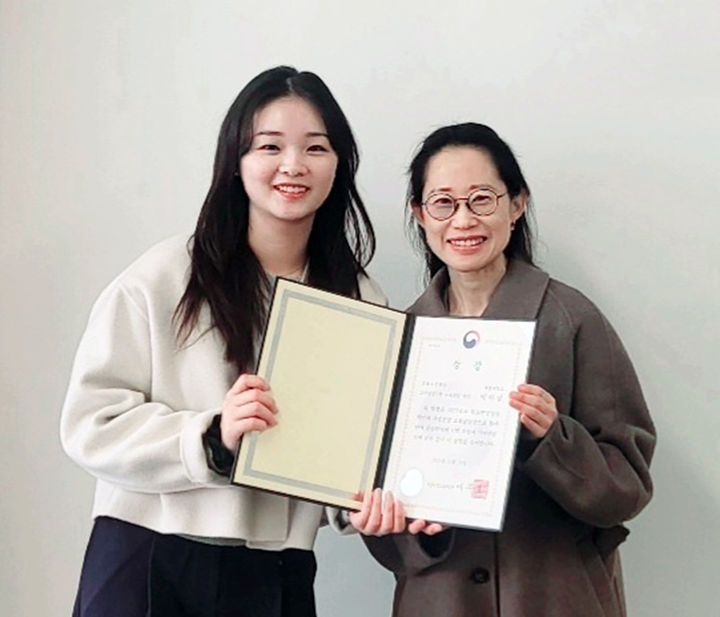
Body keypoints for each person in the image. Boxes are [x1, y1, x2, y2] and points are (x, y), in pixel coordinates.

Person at [60, 65, 385, 617]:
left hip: (278, 571)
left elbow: (354, 449)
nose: (293, 165)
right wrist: (210, 436)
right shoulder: (164, 277)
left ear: (339, 164)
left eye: (316, 147)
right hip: (151, 557)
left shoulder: (361, 301)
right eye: (269, 146)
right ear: (236, 160)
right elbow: (90, 424)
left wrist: (362, 502)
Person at [359, 123, 656, 617]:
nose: (463, 220)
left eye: (481, 199)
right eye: (443, 203)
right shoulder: (402, 338)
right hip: (441, 600)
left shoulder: (571, 319)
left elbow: (626, 486)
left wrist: (551, 437)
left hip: (553, 596)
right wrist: (395, 526)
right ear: (420, 214)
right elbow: (384, 511)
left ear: (516, 205)